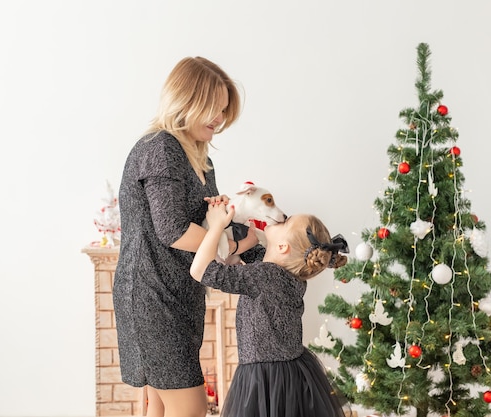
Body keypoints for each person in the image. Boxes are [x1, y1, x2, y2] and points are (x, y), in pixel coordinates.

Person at [112, 57, 259, 417]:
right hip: (152, 296)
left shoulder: (199, 157)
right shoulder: (162, 148)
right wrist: (241, 243)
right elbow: (175, 231)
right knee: (190, 409)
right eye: (213, 108)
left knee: (160, 408)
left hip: (177, 293)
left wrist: (235, 230)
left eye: (224, 111)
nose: (220, 118)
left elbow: (212, 224)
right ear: (187, 100)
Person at [190, 199, 349, 417]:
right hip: (291, 373)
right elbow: (254, 253)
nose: (282, 217)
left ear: (283, 247)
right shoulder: (287, 275)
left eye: (287, 221)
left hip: (262, 378)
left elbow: (200, 270)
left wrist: (216, 224)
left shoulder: (266, 275)